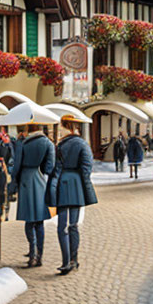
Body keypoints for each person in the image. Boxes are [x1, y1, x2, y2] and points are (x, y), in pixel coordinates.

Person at [47, 116, 97, 275]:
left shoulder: (60, 145)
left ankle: (65, 261)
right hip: (76, 186)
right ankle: (73, 260)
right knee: (73, 225)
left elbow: (54, 168)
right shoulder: (83, 144)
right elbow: (87, 168)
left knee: (62, 226)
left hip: (62, 184)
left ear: (64, 127)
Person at [9, 123, 54, 268]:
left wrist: (13, 180)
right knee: (39, 220)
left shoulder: (23, 143)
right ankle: (39, 255)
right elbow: (50, 166)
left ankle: (32, 253)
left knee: (29, 220)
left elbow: (16, 166)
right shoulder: (48, 142)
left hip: (26, 181)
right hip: (40, 180)